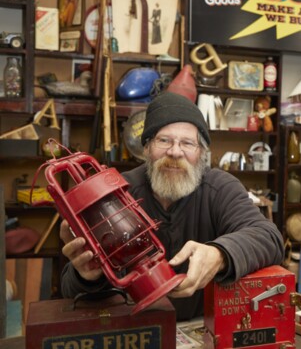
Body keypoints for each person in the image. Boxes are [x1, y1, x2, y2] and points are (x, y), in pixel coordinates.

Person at [59, 89, 285, 321]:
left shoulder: (220, 188)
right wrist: (87, 277)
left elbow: (270, 237)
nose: (175, 152)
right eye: (164, 140)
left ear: (201, 153)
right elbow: (69, 292)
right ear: (146, 148)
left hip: (201, 330)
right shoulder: (115, 194)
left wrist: (220, 254)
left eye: (187, 143)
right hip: (131, 329)